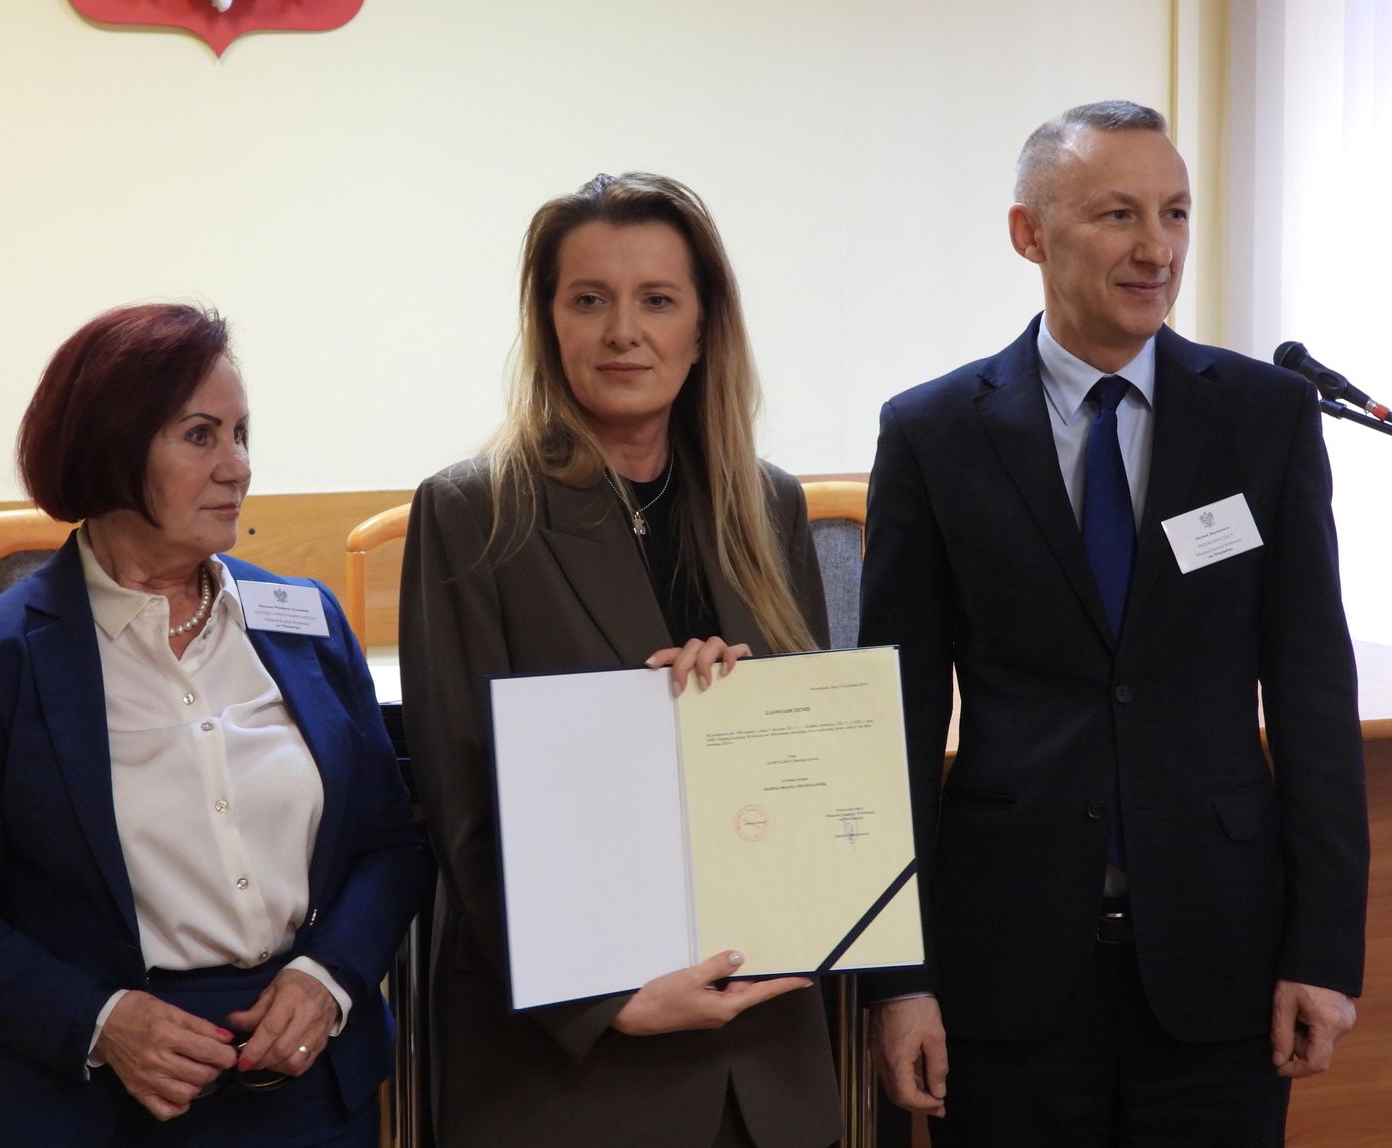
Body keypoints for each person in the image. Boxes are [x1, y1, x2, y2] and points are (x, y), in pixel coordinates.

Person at [859, 100, 1368, 1145]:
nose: (1156, 249)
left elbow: (1314, 697)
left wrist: (1324, 950)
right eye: (1118, 214)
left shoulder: (1264, 417)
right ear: (1029, 233)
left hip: (1223, 962)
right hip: (1004, 970)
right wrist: (899, 979)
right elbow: (894, 726)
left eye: (1175, 213)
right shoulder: (933, 433)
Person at [0, 303, 433, 1147]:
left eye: (242, 435)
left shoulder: (307, 621)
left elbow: (390, 843)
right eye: (200, 436)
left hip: (306, 1077)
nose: (237, 467)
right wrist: (102, 1020)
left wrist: (330, 977)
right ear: (110, 447)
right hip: (99, 1101)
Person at [399, 172, 842, 1148]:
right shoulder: (473, 511)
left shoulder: (768, 504)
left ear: (704, 326)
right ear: (547, 322)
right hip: (576, 1069)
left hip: (763, 1060)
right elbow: (463, 803)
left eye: (658, 300)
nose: (623, 332)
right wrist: (600, 1001)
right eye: (589, 299)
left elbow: (803, 779)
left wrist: (741, 709)